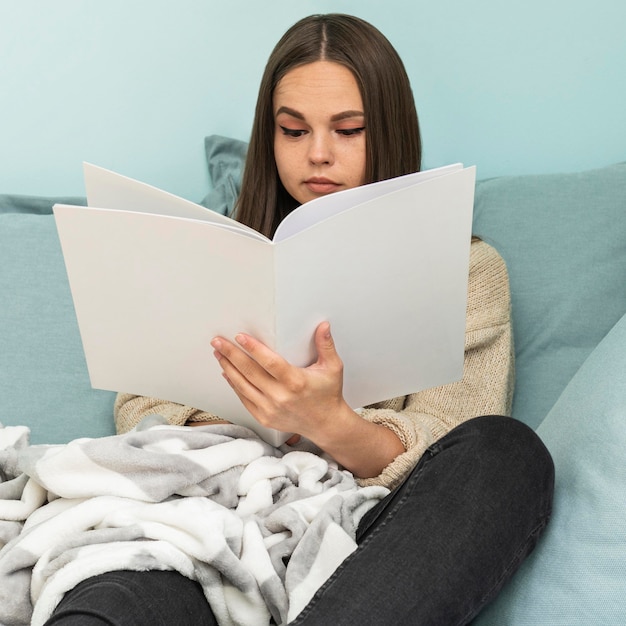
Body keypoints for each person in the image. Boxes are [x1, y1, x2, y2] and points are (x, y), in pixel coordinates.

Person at [45, 13, 554, 626]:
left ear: (388, 131)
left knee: (508, 455)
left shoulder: (467, 271)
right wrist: (268, 419)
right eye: (293, 130)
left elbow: (453, 439)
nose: (318, 153)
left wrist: (329, 422)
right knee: (113, 590)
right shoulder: (206, 253)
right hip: (208, 515)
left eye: (349, 129)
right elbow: (142, 411)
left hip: (370, 545)